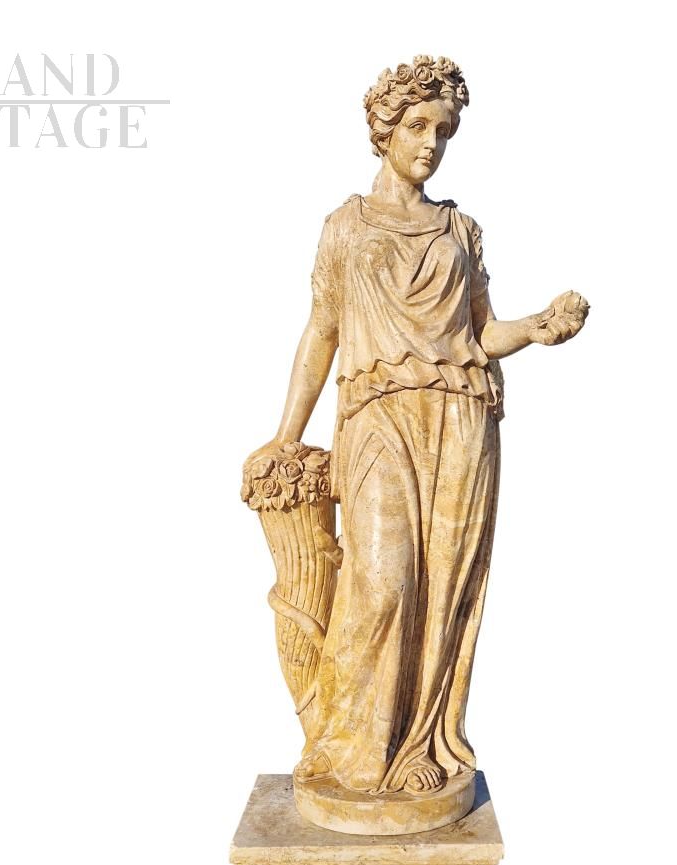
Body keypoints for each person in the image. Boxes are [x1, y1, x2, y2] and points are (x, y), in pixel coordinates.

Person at [250, 56, 588, 797]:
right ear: (385, 129)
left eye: (445, 130)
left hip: (459, 420)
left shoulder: (460, 230)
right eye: (418, 126)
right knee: (381, 580)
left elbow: (482, 333)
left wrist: (535, 328)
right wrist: (286, 434)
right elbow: (322, 331)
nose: (431, 142)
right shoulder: (346, 228)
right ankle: (346, 750)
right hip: (377, 418)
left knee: (439, 589)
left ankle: (415, 747)